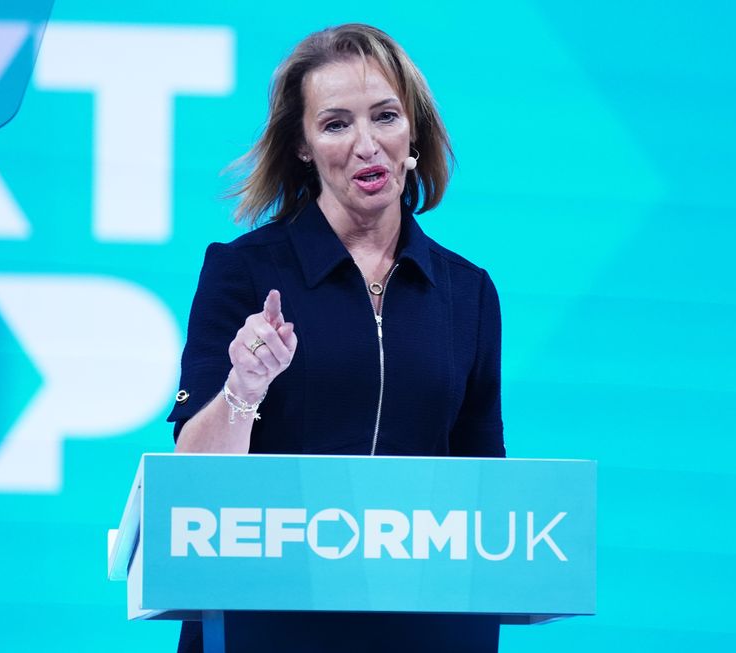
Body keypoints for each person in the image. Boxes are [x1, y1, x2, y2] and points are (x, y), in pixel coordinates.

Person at [168, 23, 504, 653]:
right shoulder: (244, 273)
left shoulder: (470, 294)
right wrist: (243, 389)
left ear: (414, 134)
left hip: (425, 630)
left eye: (384, 116)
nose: (366, 145)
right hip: (262, 624)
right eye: (335, 124)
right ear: (302, 146)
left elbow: (487, 493)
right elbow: (193, 488)